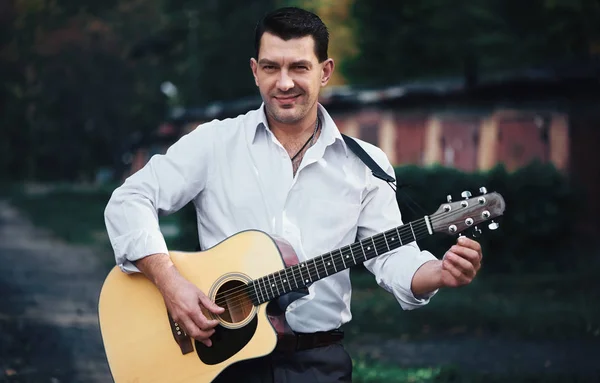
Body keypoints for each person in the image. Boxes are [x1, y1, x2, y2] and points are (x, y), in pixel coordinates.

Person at [104, 6, 483, 383]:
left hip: (318, 363)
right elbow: (129, 200)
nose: (284, 83)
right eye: (271, 67)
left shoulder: (366, 165)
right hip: (221, 361)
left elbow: (392, 258)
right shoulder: (214, 143)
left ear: (325, 71)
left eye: (299, 67)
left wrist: (436, 273)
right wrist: (171, 284)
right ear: (255, 71)